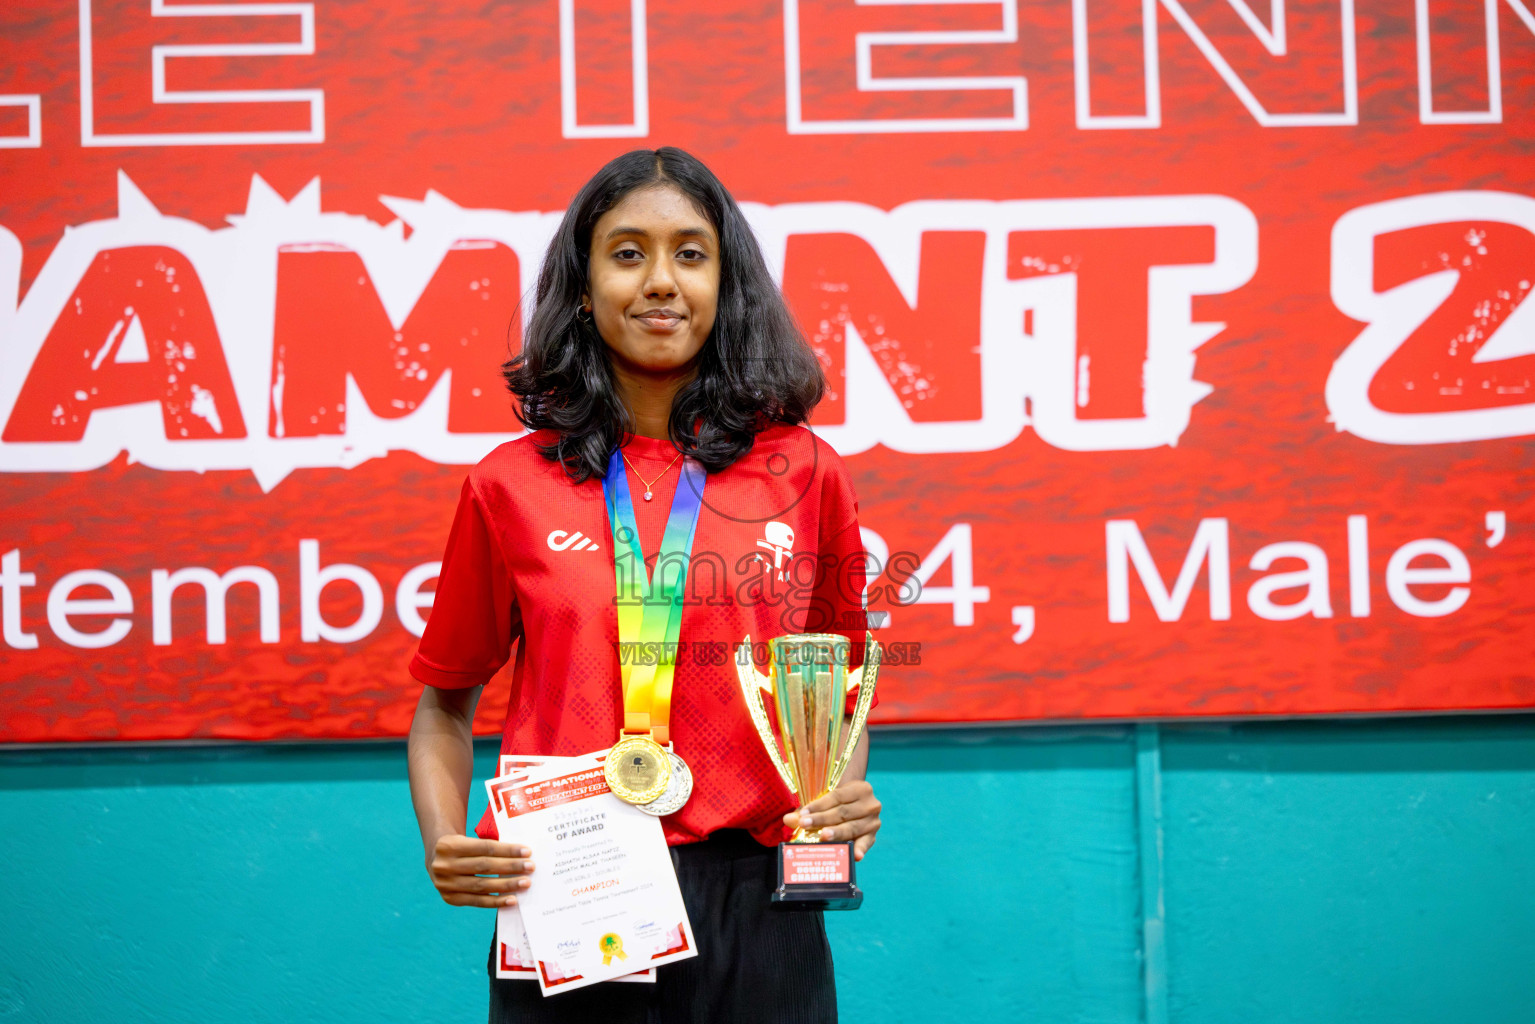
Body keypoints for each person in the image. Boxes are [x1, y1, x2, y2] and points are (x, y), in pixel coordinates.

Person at [406, 147, 883, 1023]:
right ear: (582, 288)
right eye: (627, 253)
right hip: (569, 880)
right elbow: (443, 704)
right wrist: (441, 838)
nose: (661, 281)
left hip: (759, 900)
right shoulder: (508, 484)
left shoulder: (803, 472)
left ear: (724, 283)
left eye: (690, 254)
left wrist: (836, 793)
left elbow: (839, 681)